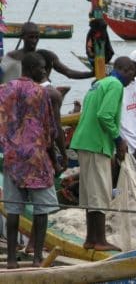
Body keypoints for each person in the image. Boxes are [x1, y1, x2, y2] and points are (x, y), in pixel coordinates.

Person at [0, 52, 61, 268]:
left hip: (12, 157)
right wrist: (55, 160)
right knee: (41, 209)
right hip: (36, 156)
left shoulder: (5, 89)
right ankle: (37, 258)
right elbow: (50, 128)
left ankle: (12, 260)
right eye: (41, 68)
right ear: (31, 68)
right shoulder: (41, 92)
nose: (44, 71)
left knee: (14, 208)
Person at [69, 56, 135, 251]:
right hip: (96, 144)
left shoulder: (99, 83)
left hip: (84, 142)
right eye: (131, 71)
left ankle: (90, 239)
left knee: (90, 193)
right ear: (124, 69)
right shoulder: (115, 85)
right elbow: (104, 115)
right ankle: (100, 241)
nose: (133, 77)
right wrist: (118, 140)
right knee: (99, 192)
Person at [0, 22, 94, 83]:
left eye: (36, 37)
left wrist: (91, 74)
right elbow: (3, 79)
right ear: (22, 37)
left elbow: (68, 72)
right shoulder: (13, 56)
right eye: (31, 37)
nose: (34, 40)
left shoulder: (46, 55)